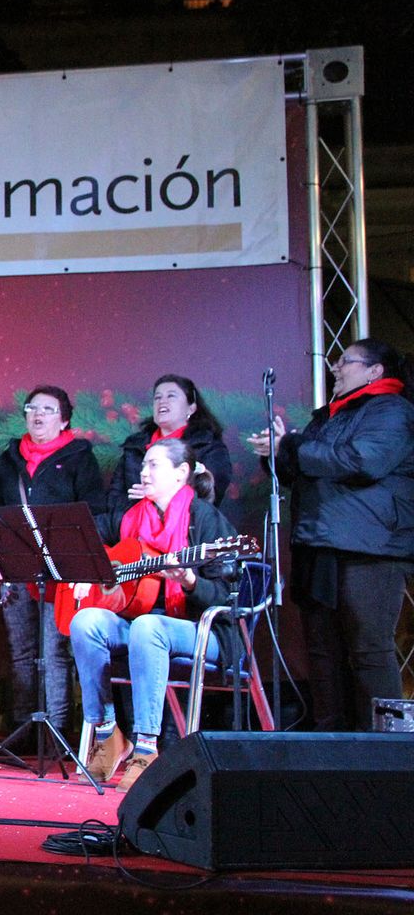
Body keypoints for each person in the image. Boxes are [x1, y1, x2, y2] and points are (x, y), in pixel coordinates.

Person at [248, 339, 414, 731]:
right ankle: (330, 743)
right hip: (319, 545)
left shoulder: (391, 410)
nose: (336, 368)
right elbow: (305, 470)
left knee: (368, 649)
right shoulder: (328, 417)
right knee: (323, 654)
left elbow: (362, 460)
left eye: (345, 361)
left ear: (374, 371)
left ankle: (386, 746)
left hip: (370, 549)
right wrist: (277, 454)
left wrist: (293, 446)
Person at [72, 439, 241, 792]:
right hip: (140, 624)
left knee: (148, 626)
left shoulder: (206, 520)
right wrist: (85, 571)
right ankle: (108, 733)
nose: (143, 472)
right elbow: (84, 534)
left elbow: (228, 597)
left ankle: (146, 748)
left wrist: (191, 582)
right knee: (85, 622)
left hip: (203, 630)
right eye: (143, 465)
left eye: (153, 465)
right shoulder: (131, 517)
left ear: (181, 473)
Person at [0, 386, 106, 749]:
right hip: (15, 569)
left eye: (48, 409)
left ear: (64, 420)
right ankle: (23, 732)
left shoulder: (79, 458)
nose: (37, 414)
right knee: (21, 651)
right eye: (32, 408)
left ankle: (56, 734)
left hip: (61, 573)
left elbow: (94, 514)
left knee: (53, 653)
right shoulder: (10, 460)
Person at [106, 374, 232, 525]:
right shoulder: (134, 446)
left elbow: (209, 496)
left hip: (187, 532)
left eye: (171, 396)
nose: (162, 401)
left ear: (191, 408)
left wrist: (156, 498)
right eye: (157, 397)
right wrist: (136, 510)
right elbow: (114, 498)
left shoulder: (209, 446)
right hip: (133, 531)